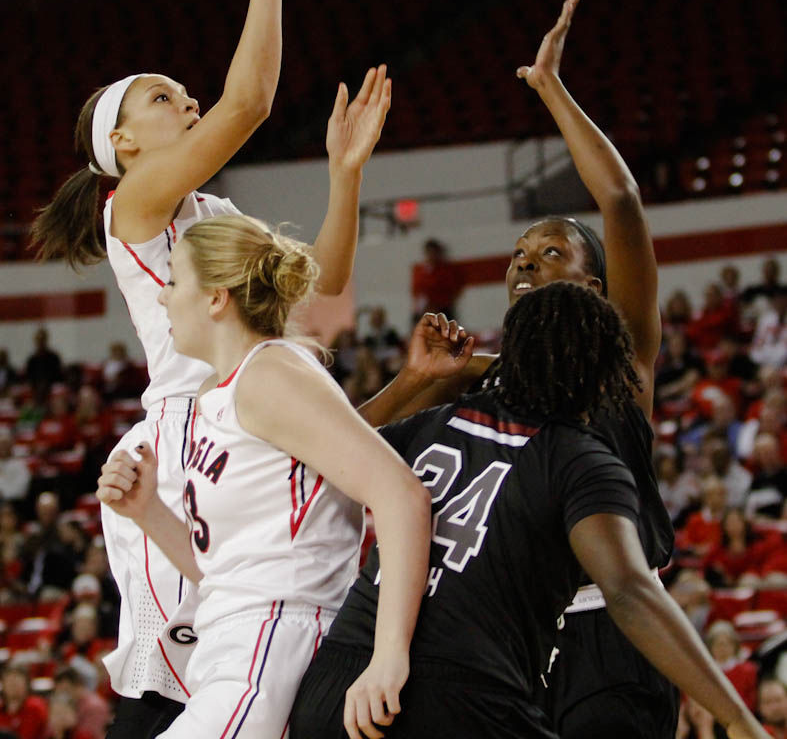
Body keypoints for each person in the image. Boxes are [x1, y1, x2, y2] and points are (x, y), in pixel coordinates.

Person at [31, 0, 391, 738]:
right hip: (181, 454)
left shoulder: (214, 217)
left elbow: (327, 284)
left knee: (274, 673)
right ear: (120, 143)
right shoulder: (136, 205)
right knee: (180, 696)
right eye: (164, 98)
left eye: (185, 93)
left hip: (246, 432)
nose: (188, 101)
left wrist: (344, 178)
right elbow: (252, 101)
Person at [359, 0, 677, 739]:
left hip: (613, 632)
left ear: (593, 286)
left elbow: (621, 202)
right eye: (518, 255)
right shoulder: (483, 380)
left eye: (551, 253)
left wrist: (550, 87)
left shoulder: (619, 353)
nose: (526, 264)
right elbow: (339, 450)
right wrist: (417, 381)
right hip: (505, 639)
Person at [290, 282, 769, 739]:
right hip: (455, 698)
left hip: (336, 683)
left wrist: (411, 381)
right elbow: (628, 590)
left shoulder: (434, 423)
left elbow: (318, 466)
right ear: (602, 373)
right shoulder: (580, 458)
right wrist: (735, 717)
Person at [97, 215, 431, 739]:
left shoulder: (271, 374)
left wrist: (389, 655)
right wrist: (149, 513)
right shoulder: (219, 391)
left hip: (278, 640)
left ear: (215, 298)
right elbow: (224, 571)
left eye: (174, 281)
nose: (162, 297)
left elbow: (401, 496)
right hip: (231, 644)